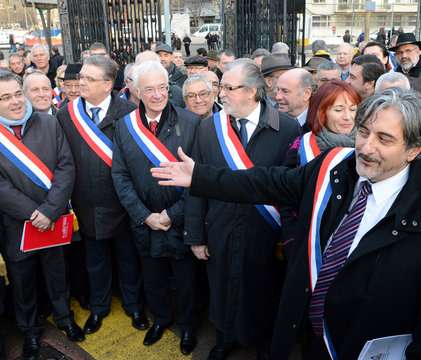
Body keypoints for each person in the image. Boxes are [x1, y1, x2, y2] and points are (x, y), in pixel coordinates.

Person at [151, 88, 421, 360]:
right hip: (306, 336)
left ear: (413, 150)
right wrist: (200, 176)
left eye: (384, 139)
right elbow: (267, 182)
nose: (365, 146)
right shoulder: (333, 166)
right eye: (363, 132)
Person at [182, 59, 300, 360]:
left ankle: (261, 341)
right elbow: (194, 183)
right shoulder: (209, 128)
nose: (221, 94)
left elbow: (291, 188)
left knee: (263, 289)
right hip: (220, 227)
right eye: (220, 86)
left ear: (252, 91)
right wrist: (196, 235)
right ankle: (223, 338)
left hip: (265, 233)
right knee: (221, 287)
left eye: (228, 88)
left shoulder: (286, 128)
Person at [111, 60, 199, 355]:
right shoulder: (124, 126)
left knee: (186, 280)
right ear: (135, 91)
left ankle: (187, 325)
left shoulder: (191, 123)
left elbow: (200, 178)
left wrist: (171, 215)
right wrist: (144, 215)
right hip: (145, 221)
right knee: (153, 277)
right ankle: (161, 319)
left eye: (163, 88)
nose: (158, 95)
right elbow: (120, 175)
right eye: (150, 89)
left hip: (180, 220)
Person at [56, 55, 147, 335]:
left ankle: (133, 305)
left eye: (88, 79)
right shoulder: (66, 115)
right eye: (81, 77)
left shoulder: (129, 112)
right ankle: (99, 307)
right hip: (87, 203)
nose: (80, 83)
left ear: (108, 85)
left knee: (127, 257)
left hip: (122, 202)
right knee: (94, 260)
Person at [0, 71, 85, 360]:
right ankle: (30, 331)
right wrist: (33, 213)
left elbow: (66, 166)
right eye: (5, 97)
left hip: (52, 219)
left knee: (56, 273)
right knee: (22, 280)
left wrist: (49, 210)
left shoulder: (49, 122)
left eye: (16, 94)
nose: (14, 102)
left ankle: (64, 318)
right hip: (16, 225)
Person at [286, 80, 361, 167]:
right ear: (321, 112)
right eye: (338, 110)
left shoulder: (367, 144)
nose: (347, 117)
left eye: (352, 109)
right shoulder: (302, 145)